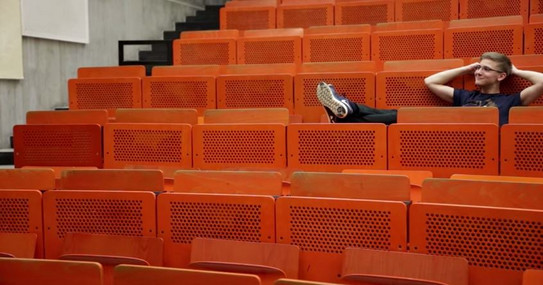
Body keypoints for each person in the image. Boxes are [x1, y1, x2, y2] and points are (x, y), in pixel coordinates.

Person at [316, 52, 543, 126]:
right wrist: (466, 67)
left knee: (401, 117)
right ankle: (346, 112)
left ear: (501, 76)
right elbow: (430, 82)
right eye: (478, 68)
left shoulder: (511, 101)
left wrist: (515, 70)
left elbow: (541, 82)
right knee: (398, 114)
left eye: (485, 69)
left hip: (462, 140)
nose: (478, 72)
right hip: (441, 130)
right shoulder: (466, 95)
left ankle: (346, 111)